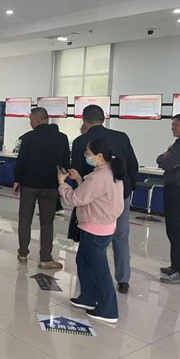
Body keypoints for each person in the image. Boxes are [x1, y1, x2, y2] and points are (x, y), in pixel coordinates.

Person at [72, 104, 139, 294]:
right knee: (121, 236)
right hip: (120, 194)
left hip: (94, 200)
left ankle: (92, 278)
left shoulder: (81, 141)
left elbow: (77, 171)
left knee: (92, 237)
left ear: (84, 119)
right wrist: (128, 187)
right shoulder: (121, 137)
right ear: (104, 118)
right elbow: (133, 165)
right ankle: (123, 280)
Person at [59, 138, 125, 324]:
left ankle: (108, 310)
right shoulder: (109, 172)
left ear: (100, 156)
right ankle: (87, 298)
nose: (86, 156)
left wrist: (62, 184)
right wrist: (79, 179)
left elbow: (76, 199)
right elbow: (93, 194)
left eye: (88, 153)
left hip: (95, 229)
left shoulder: (98, 177)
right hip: (102, 226)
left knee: (100, 270)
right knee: (83, 261)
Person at [13, 107, 70, 269]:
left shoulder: (28, 137)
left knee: (25, 219)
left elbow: (21, 161)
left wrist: (17, 180)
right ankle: (45, 258)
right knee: (47, 222)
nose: (30, 123)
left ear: (38, 120)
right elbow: (66, 162)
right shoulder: (61, 138)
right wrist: (62, 181)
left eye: (31, 120)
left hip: (29, 185)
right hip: (51, 186)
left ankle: (23, 253)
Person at [156, 113, 180, 284]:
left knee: (175, 230)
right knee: (172, 229)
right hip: (173, 188)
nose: (173, 128)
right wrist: (167, 156)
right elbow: (160, 159)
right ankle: (176, 265)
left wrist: (167, 156)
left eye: (176, 125)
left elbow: (166, 163)